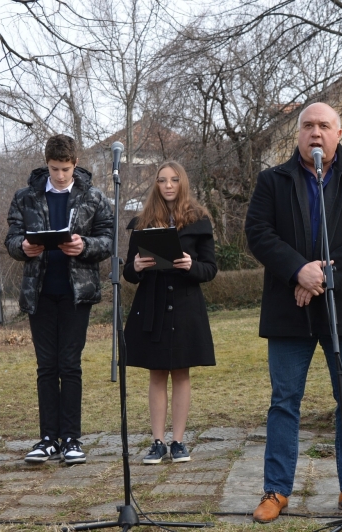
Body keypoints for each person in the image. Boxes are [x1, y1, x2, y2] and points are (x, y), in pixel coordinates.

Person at [245, 102, 342, 523]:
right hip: (289, 308)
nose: (315, 133)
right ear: (298, 135)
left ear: (338, 134)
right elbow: (258, 233)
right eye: (308, 126)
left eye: (324, 126)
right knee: (284, 401)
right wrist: (296, 272)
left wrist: (322, 276)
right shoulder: (272, 180)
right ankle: (276, 491)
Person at [5, 134, 113, 464]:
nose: (61, 175)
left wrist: (86, 247)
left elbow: (108, 239)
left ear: (75, 164)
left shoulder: (93, 197)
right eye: (54, 169)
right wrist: (22, 247)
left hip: (76, 295)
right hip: (39, 294)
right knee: (46, 367)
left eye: (66, 169)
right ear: (46, 164)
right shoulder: (25, 197)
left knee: (70, 365)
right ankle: (47, 439)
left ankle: (72, 439)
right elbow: (11, 239)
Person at [123, 161, 217, 465]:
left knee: (181, 373)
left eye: (174, 179)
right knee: (157, 373)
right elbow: (129, 272)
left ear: (182, 182)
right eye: (162, 180)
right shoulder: (142, 222)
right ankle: (158, 441)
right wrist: (136, 267)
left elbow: (210, 269)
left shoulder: (199, 220)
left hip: (187, 305)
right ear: (156, 185)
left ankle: (178, 441)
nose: (168, 185)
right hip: (153, 305)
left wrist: (191, 266)